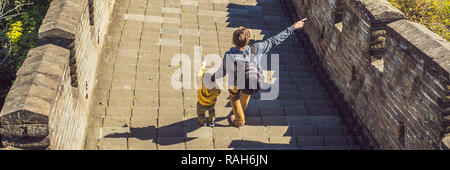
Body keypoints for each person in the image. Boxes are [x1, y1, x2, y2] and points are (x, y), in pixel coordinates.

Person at [214, 18, 308, 127]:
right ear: (247, 40)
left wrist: (212, 78)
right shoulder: (257, 48)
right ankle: (241, 110)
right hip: (251, 81)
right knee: (246, 94)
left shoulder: (229, 55)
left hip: (235, 82)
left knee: (234, 97)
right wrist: (293, 27)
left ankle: (239, 120)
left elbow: (222, 71)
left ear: (234, 41)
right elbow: (275, 40)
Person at [197, 60, 221, 127]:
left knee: (200, 114)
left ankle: (201, 123)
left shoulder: (200, 83)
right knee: (211, 112)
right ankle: (211, 122)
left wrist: (203, 66)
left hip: (201, 103)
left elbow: (199, 73)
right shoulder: (214, 88)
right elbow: (219, 92)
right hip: (211, 103)